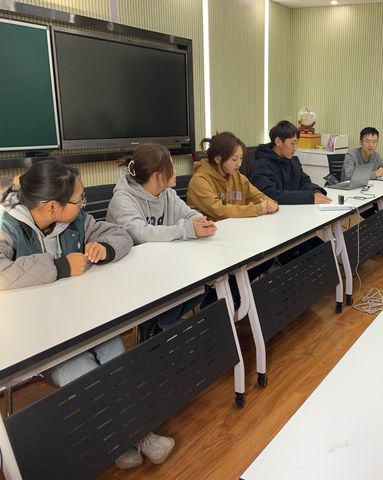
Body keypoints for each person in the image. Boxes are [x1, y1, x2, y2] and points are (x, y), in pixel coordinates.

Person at [0, 161, 173, 470]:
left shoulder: (77, 220)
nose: (83, 204)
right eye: (78, 199)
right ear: (52, 206)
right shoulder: (8, 225)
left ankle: (136, 435)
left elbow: (119, 234)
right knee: (82, 373)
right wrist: (61, 267)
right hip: (39, 337)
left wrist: (105, 248)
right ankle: (122, 439)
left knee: (115, 356)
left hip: (83, 320)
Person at [106, 142, 217, 336]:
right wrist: (187, 229)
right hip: (131, 272)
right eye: (170, 167)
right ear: (157, 175)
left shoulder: (168, 194)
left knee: (203, 283)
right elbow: (140, 233)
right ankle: (158, 327)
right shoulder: (123, 199)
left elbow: (187, 213)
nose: (175, 172)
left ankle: (161, 325)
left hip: (162, 263)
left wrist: (200, 221)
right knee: (185, 283)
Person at [188, 132, 278, 220]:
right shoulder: (199, 180)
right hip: (210, 228)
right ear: (218, 159)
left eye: (241, 158)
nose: (239, 164)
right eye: (234, 159)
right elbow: (219, 211)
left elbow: (258, 196)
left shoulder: (238, 177)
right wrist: (257, 209)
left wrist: (270, 203)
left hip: (235, 227)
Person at [250, 120, 331, 205]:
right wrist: (310, 198)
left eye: (296, 144)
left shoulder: (293, 161)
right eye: (292, 143)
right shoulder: (261, 165)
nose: (295, 148)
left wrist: (316, 191)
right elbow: (270, 195)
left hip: (293, 210)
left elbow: (304, 182)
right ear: (278, 142)